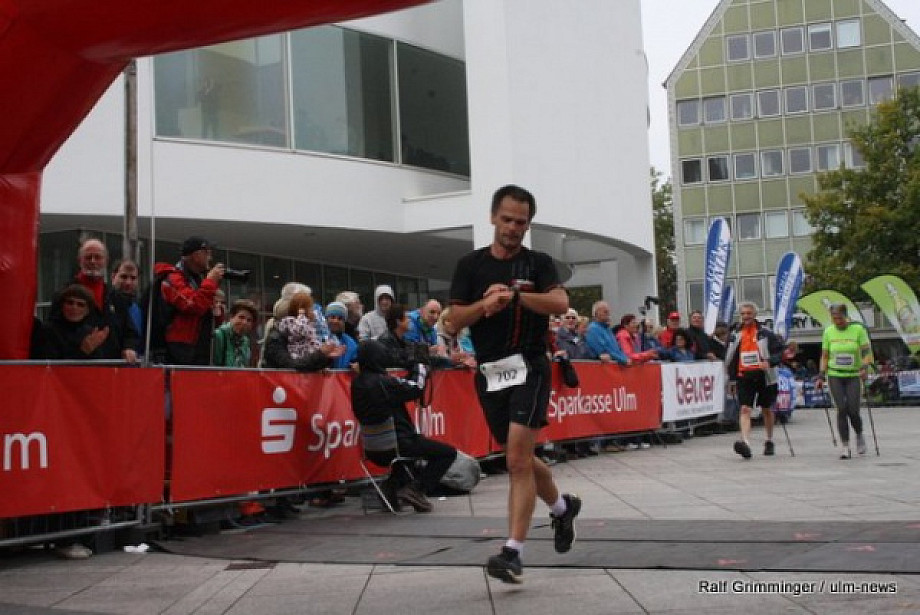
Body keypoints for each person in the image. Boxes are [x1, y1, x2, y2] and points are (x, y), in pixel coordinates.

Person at [448, 184, 581, 584]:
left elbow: (560, 303)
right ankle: (562, 509)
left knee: (517, 462)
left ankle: (513, 552)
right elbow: (454, 320)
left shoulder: (538, 263)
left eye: (520, 222)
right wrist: (485, 304)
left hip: (530, 366)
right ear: (493, 217)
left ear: (528, 225)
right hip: (490, 371)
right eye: (506, 219)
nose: (512, 228)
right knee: (517, 456)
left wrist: (518, 298)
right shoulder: (470, 266)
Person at [350, 339, 457, 512]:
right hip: (399, 444)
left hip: (372, 449)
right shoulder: (383, 383)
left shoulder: (357, 384)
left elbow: (399, 388)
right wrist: (420, 365)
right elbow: (416, 388)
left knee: (410, 454)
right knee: (447, 453)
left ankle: (391, 488)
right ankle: (416, 489)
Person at [723, 302, 784, 460]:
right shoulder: (735, 334)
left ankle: (769, 440)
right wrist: (731, 379)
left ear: (755, 315)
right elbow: (730, 357)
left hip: (765, 376)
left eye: (749, 313)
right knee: (745, 409)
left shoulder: (765, 333)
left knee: (766, 409)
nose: (746, 316)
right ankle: (745, 443)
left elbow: (779, 352)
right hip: (744, 375)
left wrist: (770, 362)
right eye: (743, 314)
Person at [153, 236, 224, 365]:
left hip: (200, 348)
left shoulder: (199, 280)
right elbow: (191, 304)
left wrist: (217, 310)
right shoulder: (173, 278)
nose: (210, 258)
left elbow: (212, 320)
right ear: (196, 255)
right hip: (178, 349)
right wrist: (210, 282)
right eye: (207, 253)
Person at [816, 303, 874, 459]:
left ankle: (859, 434)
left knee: (853, 410)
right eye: (834, 318)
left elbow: (866, 352)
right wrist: (821, 375)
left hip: (853, 374)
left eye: (840, 318)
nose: (837, 321)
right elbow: (825, 355)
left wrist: (864, 367)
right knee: (841, 409)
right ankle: (845, 445)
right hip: (835, 374)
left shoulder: (858, 330)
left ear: (846, 316)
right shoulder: (828, 331)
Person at [212, 299, 258, 367]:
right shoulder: (219, 335)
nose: (244, 322)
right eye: (241, 317)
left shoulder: (245, 341)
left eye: (249, 320)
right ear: (231, 317)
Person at [276, 292, 322, 360]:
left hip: (312, 357)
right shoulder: (290, 321)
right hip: (300, 356)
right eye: (310, 308)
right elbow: (299, 332)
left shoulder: (309, 322)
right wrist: (302, 316)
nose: (312, 311)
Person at [585, 301, 630, 365]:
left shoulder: (608, 329)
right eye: (605, 312)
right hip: (606, 368)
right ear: (596, 313)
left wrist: (625, 358)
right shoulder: (593, 329)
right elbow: (604, 351)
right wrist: (623, 360)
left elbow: (617, 349)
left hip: (617, 365)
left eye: (608, 312)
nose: (608, 314)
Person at [325, 301, 358, 369]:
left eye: (340, 318)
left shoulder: (351, 343)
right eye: (332, 317)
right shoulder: (318, 338)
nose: (336, 321)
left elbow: (355, 361)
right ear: (327, 319)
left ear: (344, 322)